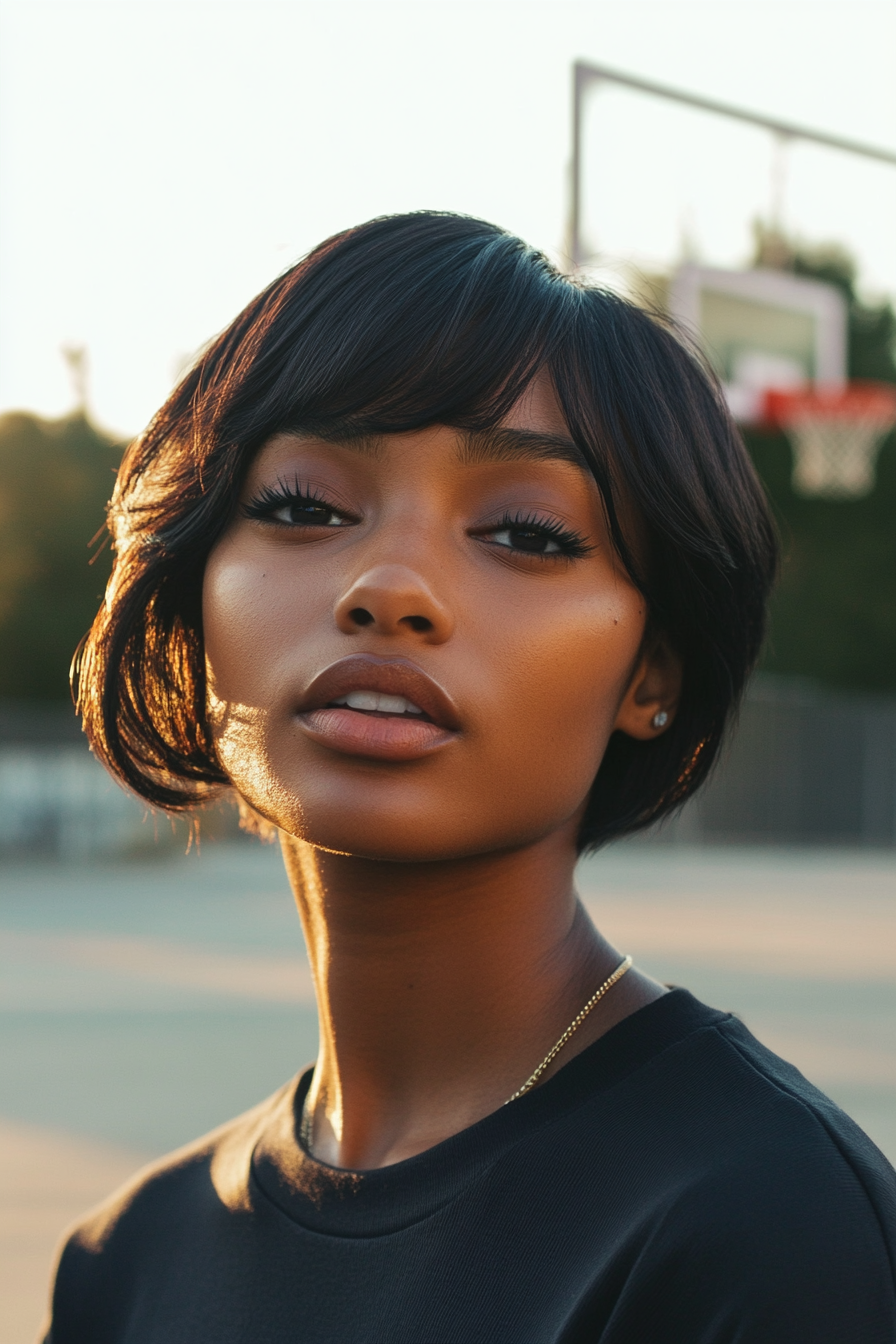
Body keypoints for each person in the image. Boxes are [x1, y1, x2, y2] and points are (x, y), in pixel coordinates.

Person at [47, 213, 895, 1343]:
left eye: (525, 533)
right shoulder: (125, 1263)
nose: (391, 584)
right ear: (197, 594)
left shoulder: (768, 1232)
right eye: (304, 507)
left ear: (651, 672)